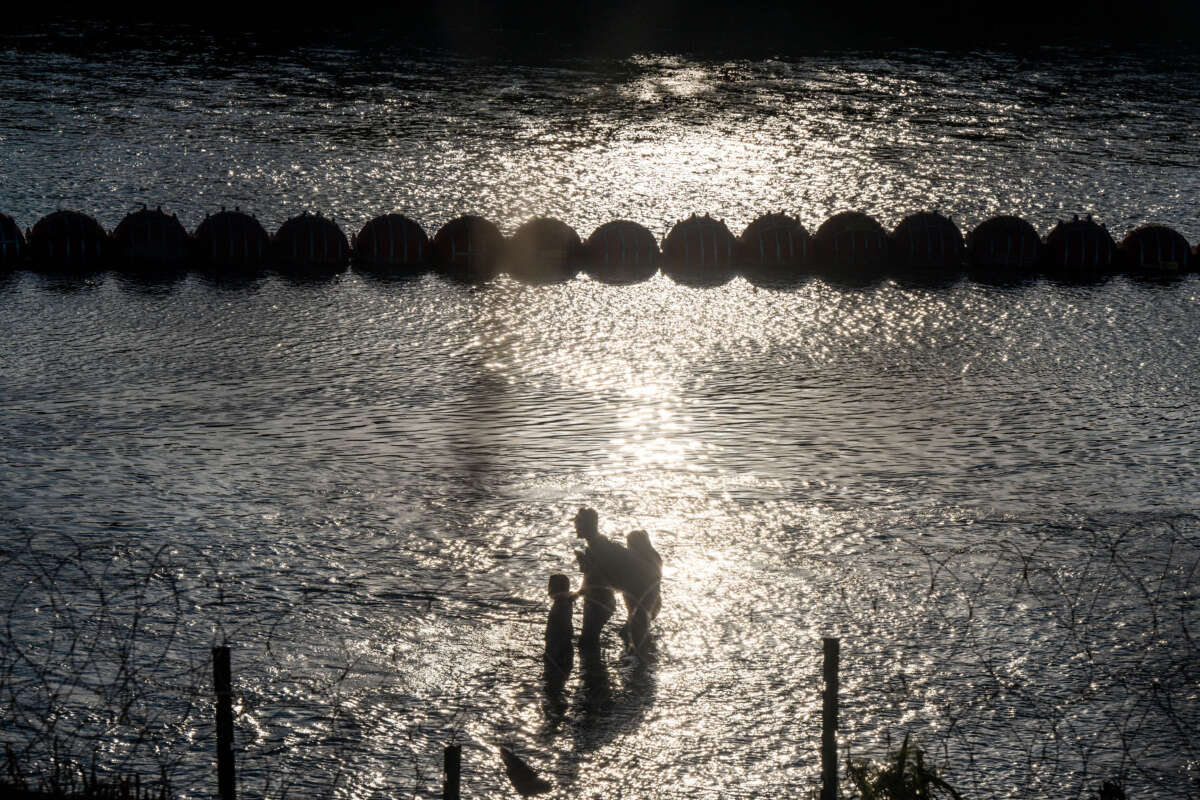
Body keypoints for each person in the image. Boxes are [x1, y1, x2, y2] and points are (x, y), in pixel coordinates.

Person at [573, 508, 659, 650]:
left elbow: (596, 581)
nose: (575, 525)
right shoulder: (598, 546)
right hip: (638, 589)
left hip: (639, 591)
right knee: (629, 636)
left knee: (634, 640)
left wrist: (578, 592)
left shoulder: (599, 548)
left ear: (585, 525)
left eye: (577, 522)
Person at [575, 548, 616, 651]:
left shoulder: (593, 574)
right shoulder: (592, 571)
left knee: (589, 636)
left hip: (598, 607)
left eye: (581, 562)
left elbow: (583, 590)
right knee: (591, 635)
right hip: (602, 606)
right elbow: (583, 590)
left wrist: (568, 598)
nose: (579, 566)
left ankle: (591, 658)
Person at [544, 573, 574, 682]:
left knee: (553, 677)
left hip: (557, 646)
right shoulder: (566, 601)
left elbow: (561, 628)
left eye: (550, 586)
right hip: (563, 645)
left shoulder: (561, 604)